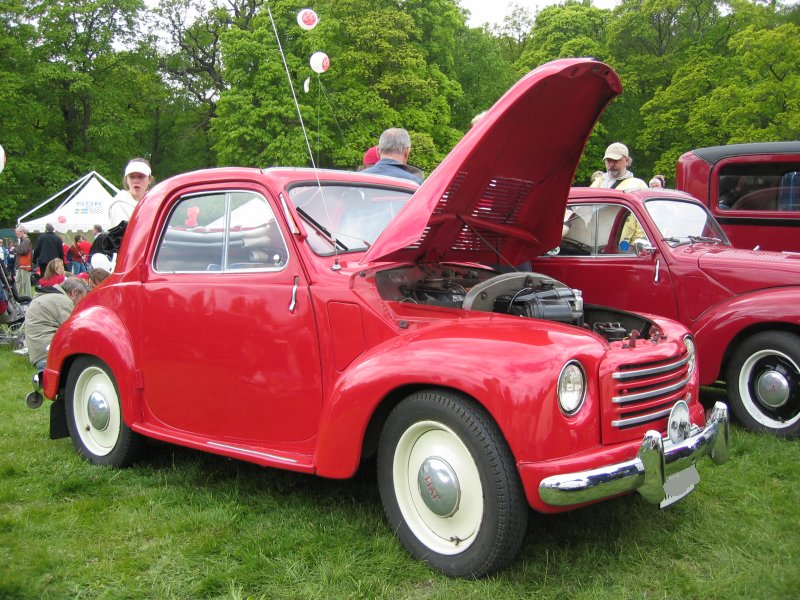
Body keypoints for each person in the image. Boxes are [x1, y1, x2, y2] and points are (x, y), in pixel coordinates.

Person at [24, 277, 88, 370]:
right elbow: (76, 330)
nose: (82, 303)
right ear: (74, 292)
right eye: (82, 298)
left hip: (38, 353)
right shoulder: (62, 301)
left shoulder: (49, 295)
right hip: (48, 355)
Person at [108, 158, 154, 225]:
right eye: (132, 177)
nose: (136, 181)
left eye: (141, 177)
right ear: (126, 179)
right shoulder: (119, 204)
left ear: (149, 179)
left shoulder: (154, 203)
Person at [14, 225, 32, 298]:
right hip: (22, 264)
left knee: (25, 283)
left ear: (22, 232)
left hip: (25, 264)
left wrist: (16, 249)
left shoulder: (26, 240)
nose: (17, 235)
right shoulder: (24, 240)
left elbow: (24, 251)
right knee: (18, 281)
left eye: (17, 233)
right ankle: (18, 296)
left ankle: (28, 297)